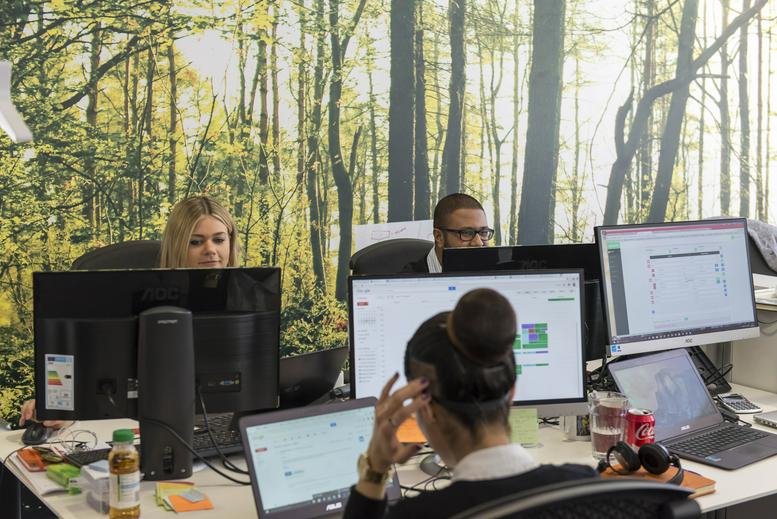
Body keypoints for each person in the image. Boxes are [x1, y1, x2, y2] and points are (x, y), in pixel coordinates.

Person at [344, 288, 596, 518]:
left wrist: (376, 468)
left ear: (427, 409)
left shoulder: (415, 515)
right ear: (511, 392)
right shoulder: (585, 488)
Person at [20, 195, 239, 427]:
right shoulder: (140, 297)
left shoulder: (248, 295)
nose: (210, 250)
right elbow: (92, 369)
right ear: (176, 245)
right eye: (195, 242)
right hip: (136, 424)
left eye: (219, 240)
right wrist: (60, 408)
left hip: (226, 423)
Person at [402, 193, 493, 273]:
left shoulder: (496, 274)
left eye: (483, 232)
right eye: (467, 233)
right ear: (439, 237)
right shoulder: (406, 281)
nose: (479, 243)